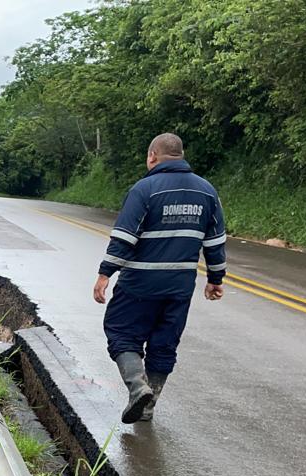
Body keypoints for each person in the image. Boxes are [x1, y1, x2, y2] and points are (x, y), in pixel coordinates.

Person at [93, 133, 227, 423]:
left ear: (152, 156)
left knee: (121, 332)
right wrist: (216, 278)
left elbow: (125, 237)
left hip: (139, 284)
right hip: (179, 287)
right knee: (164, 344)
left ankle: (137, 387)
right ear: (180, 155)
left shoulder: (145, 189)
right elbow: (215, 241)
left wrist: (105, 273)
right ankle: (149, 404)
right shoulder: (207, 192)